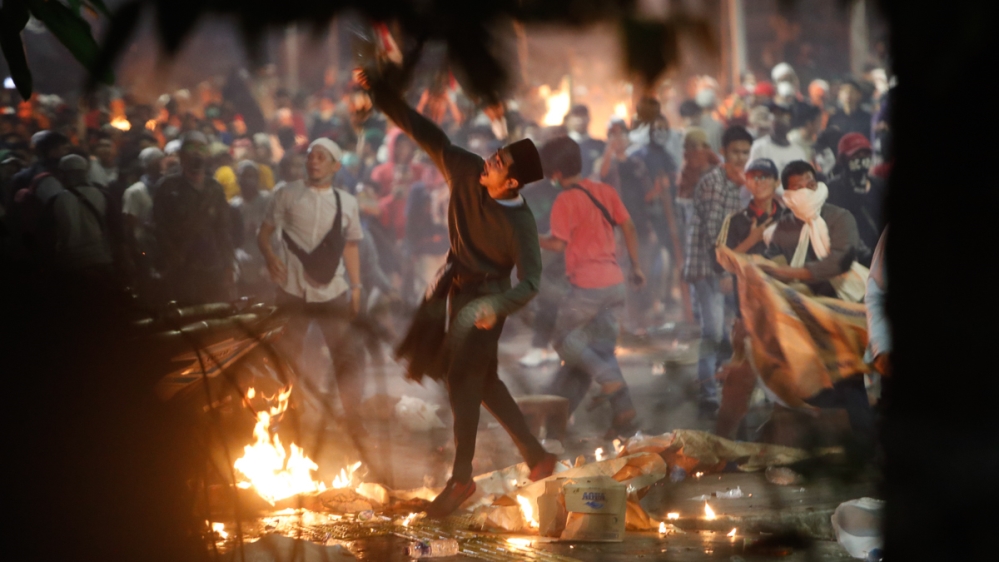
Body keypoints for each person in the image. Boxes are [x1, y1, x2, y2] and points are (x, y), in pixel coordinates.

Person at [359, 68, 557, 518]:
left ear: (511, 184)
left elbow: (531, 282)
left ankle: (462, 477)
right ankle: (537, 455)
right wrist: (381, 93)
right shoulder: (467, 170)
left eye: (499, 163)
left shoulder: (521, 224)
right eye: (495, 154)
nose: (489, 160)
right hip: (456, 289)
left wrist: (496, 306)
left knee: (463, 380)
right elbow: (423, 131)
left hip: (488, 301)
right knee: (483, 381)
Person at [257, 138, 366, 434]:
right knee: (287, 354)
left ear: (335, 166)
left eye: (321, 157)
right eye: (310, 156)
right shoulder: (286, 194)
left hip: (333, 291)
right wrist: (270, 257)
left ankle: (352, 416)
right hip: (292, 290)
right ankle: (287, 415)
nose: (314, 161)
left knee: (344, 354)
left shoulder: (347, 203)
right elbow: (263, 234)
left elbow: (351, 247)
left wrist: (356, 287)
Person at [539, 137, 646, 438]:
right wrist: (636, 266)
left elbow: (557, 244)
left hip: (586, 289)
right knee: (599, 348)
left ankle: (611, 383)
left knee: (563, 339)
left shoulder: (564, 201)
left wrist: (529, 237)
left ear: (555, 173)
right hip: (615, 285)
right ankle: (621, 411)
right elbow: (629, 226)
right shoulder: (604, 191)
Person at [714, 158, 789, 439]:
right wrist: (753, 238)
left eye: (765, 176)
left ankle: (778, 443)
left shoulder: (789, 218)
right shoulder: (735, 221)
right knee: (739, 384)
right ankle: (731, 447)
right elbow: (722, 260)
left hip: (782, 313)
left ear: (776, 181)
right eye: (754, 177)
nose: (759, 182)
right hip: (747, 315)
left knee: (785, 382)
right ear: (747, 182)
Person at [683, 125, 753, 418]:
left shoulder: (735, 183)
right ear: (723, 152)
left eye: (745, 152)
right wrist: (724, 272)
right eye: (735, 152)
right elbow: (715, 235)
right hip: (708, 268)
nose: (741, 158)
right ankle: (708, 395)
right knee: (712, 332)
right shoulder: (715, 183)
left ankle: (723, 387)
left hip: (721, 267)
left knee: (726, 330)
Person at [153, 131, 234, 305]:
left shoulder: (214, 188)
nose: (196, 152)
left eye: (202, 148)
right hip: (181, 269)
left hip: (212, 266)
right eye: (191, 147)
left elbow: (223, 230)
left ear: (208, 154)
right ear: (181, 154)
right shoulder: (167, 187)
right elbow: (159, 229)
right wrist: (169, 260)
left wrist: (228, 264)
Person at [760, 160, 861, 298]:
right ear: (788, 195)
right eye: (798, 188)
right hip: (797, 295)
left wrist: (794, 273)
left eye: (810, 186)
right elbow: (773, 257)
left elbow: (841, 261)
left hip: (842, 296)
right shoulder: (785, 224)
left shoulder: (840, 217)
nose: (806, 192)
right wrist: (770, 267)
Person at [826, 133, 883, 265]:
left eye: (866, 154)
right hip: (851, 263)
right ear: (843, 159)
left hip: (879, 261)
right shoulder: (832, 189)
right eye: (856, 155)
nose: (862, 159)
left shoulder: (880, 185)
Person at [121, 147, 165, 289]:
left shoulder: (167, 188)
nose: (159, 166)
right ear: (146, 166)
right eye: (155, 162)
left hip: (164, 245)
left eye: (160, 161)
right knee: (147, 282)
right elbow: (130, 223)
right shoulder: (135, 191)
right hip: (143, 246)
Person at [230, 160, 273, 298]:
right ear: (237, 178)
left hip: (263, 264)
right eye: (244, 175)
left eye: (251, 175)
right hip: (242, 266)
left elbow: (274, 235)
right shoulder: (234, 206)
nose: (248, 180)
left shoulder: (267, 200)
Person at [748, 102, 808, 179]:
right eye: (775, 115)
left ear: (791, 123)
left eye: (783, 116)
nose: (778, 119)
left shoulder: (799, 152)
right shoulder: (758, 147)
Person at [563, 104, 606, 178]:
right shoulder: (560, 146)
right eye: (576, 117)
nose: (580, 121)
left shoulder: (600, 145)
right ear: (568, 120)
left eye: (583, 116)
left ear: (589, 119)